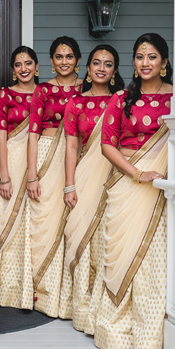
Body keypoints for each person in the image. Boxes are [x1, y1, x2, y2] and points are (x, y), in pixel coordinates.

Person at [94, 33, 173, 349]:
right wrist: (136, 173)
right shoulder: (122, 97)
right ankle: (117, 332)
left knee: (151, 264)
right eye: (140, 56)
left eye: (152, 57)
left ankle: (149, 339)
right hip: (128, 186)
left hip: (162, 192)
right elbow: (107, 144)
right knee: (121, 259)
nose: (145, 63)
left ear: (165, 63)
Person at [58, 45, 123, 330]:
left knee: (109, 239)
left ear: (114, 71)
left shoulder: (123, 100)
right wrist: (69, 185)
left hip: (116, 177)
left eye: (107, 64)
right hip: (85, 178)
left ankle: (105, 305)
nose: (101, 68)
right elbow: (71, 146)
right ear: (87, 68)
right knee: (81, 239)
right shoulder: (76, 103)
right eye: (96, 63)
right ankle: (83, 309)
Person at [24, 37, 83, 317]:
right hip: (48, 156)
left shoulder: (88, 89)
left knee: (73, 224)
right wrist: (32, 175)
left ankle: (71, 296)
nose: (64, 62)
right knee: (43, 226)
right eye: (58, 57)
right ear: (50, 61)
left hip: (81, 160)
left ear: (78, 60)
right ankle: (44, 295)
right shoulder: (44, 90)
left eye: (69, 56)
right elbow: (33, 133)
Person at [0, 46, 38, 308]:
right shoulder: (4, 95)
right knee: (6, 219)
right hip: (12, 160)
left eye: (28, 63)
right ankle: (6, 287)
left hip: (41, 163)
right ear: (12, 70)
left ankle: (32, 288)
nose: (23, 69)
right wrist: (5, 176)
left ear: (37, 66)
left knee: (34, 225)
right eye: (18, 65)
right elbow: (1, 135)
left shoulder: (45, 94)